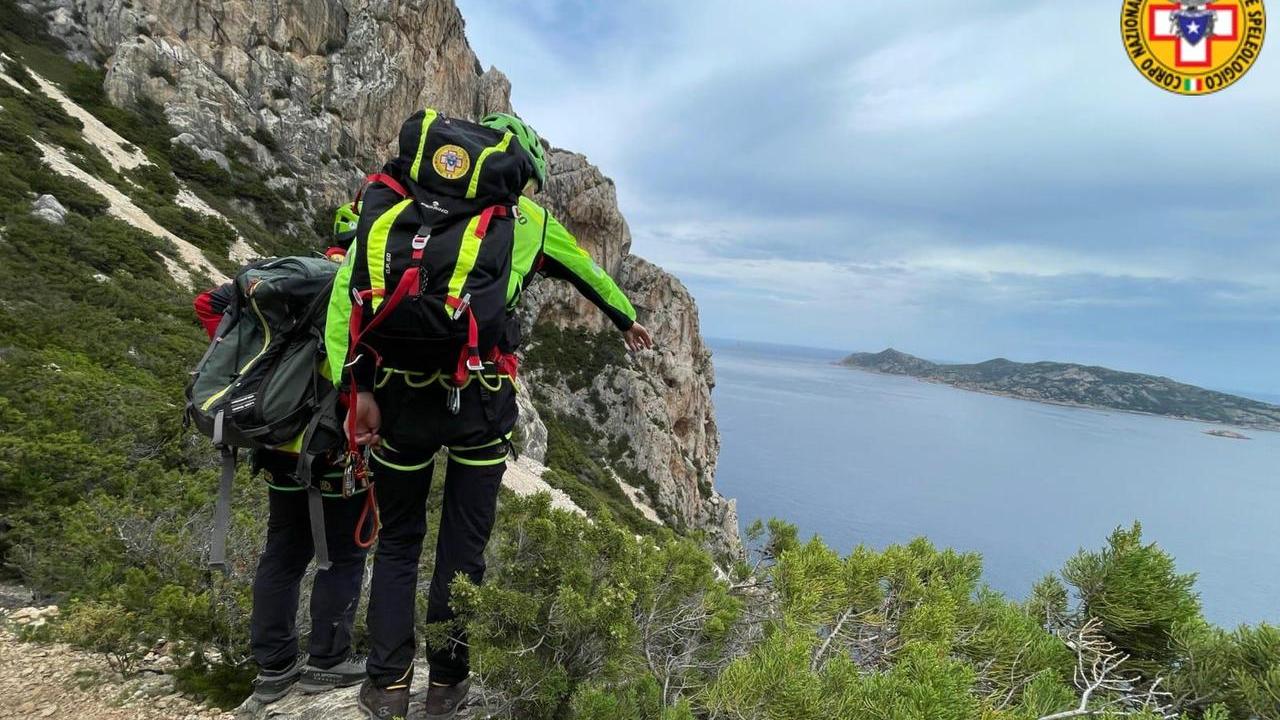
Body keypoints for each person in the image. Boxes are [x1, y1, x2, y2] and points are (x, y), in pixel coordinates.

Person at [343, 113, 652, 720]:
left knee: (399, 543)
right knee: (463, 549)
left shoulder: (392, 204)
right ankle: (447, 687)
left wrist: (358, 392)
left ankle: (386, 688)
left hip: (399, 397)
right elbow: (589, 272)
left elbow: (346, 301)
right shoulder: (526, 221)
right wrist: (625, 316)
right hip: (480, 402)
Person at [193, 216, 368, 703]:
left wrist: (257, 370)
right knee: (343, 554)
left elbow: (206, 304)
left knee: (284, 554)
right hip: (333, 448)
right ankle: (328, 662)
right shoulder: (356, 290)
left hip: (276, 442)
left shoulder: (288, 281)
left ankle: (273, 668)